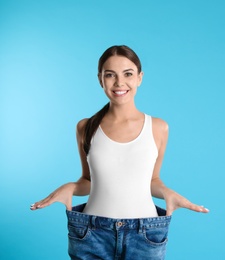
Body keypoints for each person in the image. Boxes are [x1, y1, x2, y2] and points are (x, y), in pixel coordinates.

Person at [30, 45, 209, 259]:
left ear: (140, 78)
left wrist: (168, 193)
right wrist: (69, 188)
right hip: (91, 234)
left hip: (145, 236)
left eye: (128, 74)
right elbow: (88, 180)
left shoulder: (159, 128)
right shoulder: (85, 127)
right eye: (110, 75)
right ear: (100, 79)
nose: (119, 83)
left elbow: (152, 180)